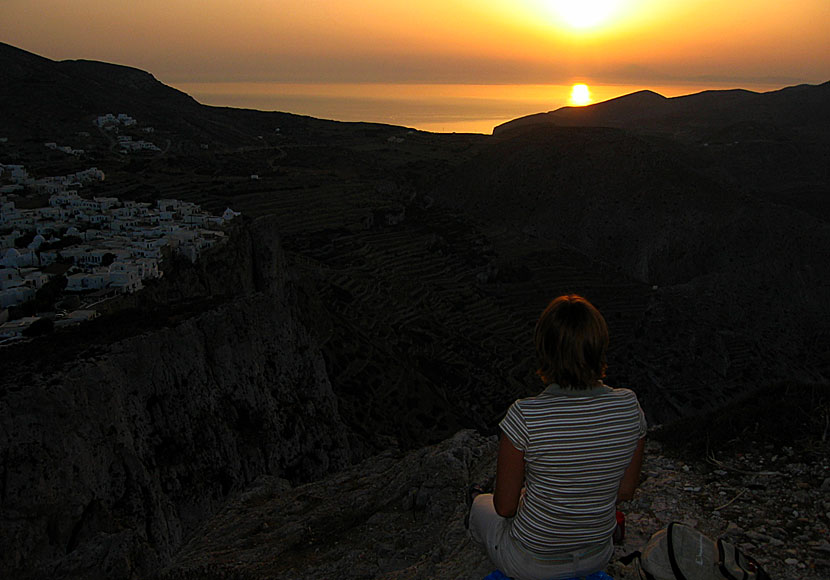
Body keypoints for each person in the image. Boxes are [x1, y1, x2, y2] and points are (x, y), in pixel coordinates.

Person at [468, 295, 646, 580]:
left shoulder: (525, 415)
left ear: (545, 351)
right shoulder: (629, 406)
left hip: (531, 563)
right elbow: (624, 491)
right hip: (596, 555)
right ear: (599, 346)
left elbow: (505, 507)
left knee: (480, 506)